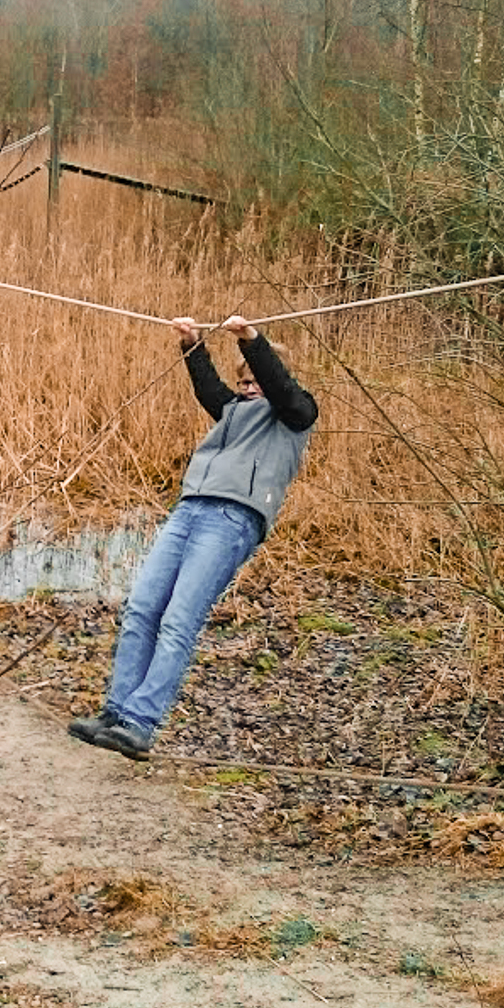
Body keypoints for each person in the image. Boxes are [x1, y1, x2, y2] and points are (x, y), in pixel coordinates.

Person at [70, 315, 318, 761]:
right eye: (243, 381)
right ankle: (116, 712)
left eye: (254, 380)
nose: (247, 388)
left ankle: (141, 724)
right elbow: (209, 388)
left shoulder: (296, 414)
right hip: (189, 510)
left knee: (178, 621)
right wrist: (192, 344)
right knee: (143, 608)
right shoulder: (232, 411)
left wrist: (251, 341)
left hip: (231, 520)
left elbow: (279, 388)